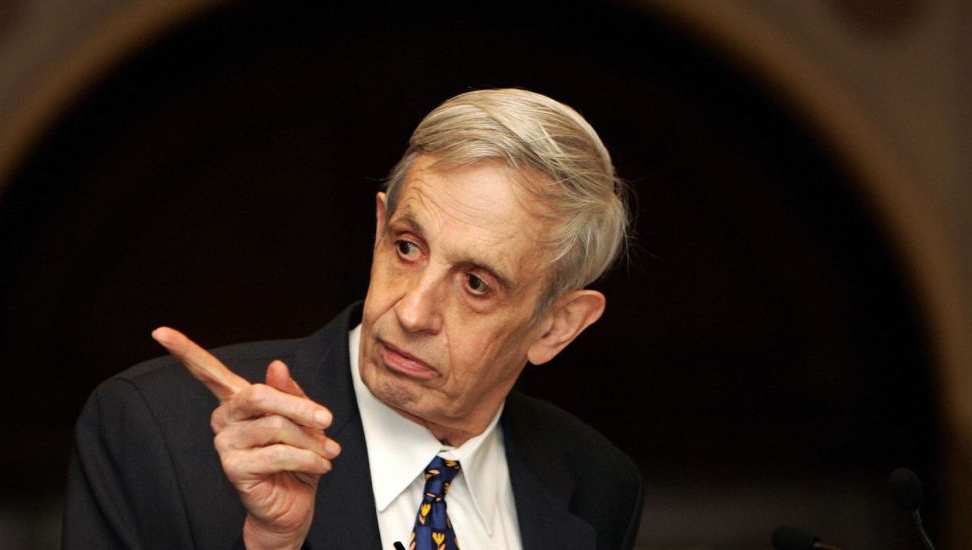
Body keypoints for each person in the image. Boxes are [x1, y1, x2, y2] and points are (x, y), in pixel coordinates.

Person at [63, 88, 642, 550]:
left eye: (476, 284)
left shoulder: (596, 484)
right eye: (407, 247)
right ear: (379, 228)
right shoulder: (157, 431)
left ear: (556, 326)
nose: (411, 312)